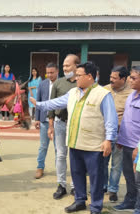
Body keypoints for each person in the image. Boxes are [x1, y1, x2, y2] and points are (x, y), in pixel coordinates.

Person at [30, 61, 118, 214]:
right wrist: (38, 104)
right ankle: (80, 201)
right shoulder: (73, 93)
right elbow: (55, 103)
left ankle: (96, 206)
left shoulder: (103, 94)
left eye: (79, 75)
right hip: (75, 143)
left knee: (96, 179)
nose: (76, 78)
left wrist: (109, 140)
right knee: (77, 175)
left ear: (89, 76)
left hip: (94, 146)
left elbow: (111, 120)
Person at [114, 65, 140, 213]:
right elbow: (127, 119)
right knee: (128, 176)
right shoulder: (132, 94)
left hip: (138, 148)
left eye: (133, 78)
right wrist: (121, 138)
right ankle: (130, 201)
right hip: (126, 143)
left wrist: (138, 149)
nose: (130, 80)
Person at [47, 54, 78, 199]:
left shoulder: (82, 83)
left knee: (75, 156)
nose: (65, 68)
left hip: (76, 125)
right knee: (60, 155)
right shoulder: (58, 83)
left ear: (76, 66)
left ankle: (75, 186)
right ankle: (61, 185)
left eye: (67, 65)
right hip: (60, 123)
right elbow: (52, 106)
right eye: (64, 66)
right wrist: (50, 126)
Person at [103, 66, 132, 202]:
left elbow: (130, 117)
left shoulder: (131, 93)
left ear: (123, 79)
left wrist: (123, 136)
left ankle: (113, 190)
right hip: (104, 134)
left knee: (116, 164)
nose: (111, 80)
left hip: (121, 134)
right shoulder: (104, 89)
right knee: (102, 162)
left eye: (114, 78)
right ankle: (103, 186)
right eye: (110, 77)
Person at [34, 63, 58, 179]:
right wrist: (37, 118)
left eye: (52, 72)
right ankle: (40, 167)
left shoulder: (61, 84)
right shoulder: (42, 84)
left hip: (58, 120)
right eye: (48, 72)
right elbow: (38, 101)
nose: (49, 75)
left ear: (57, 72)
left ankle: (59, 168)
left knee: (58, 147)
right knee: (43, 146)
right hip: (44, 120)